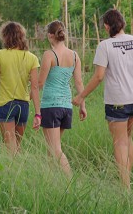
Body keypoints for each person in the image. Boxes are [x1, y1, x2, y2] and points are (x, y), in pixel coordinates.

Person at [72, 8, 133, 190]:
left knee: (120, 141)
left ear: (106, 26)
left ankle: (125, 187)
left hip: (117, 100)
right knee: (128, 137)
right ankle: (127, 178)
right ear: (123, 24)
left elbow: (99, 76)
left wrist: (81, 96)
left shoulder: (105, 46)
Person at [0, 21, 41, 155]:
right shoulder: (32, 58)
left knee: (9, 145)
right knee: (17, 145)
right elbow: (35, 87)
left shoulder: (0, 55)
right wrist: (38, 113)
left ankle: (11, 173)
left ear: (5, 36)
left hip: (5, 104)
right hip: (23, 105)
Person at [37, 20, 87, 176]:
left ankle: (70, 181)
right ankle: (52, 180)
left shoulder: (49, 54)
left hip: (51, 105)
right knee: (51, 147)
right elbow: (78, 82)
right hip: (67, 106)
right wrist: (83, 105)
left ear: (51, 35)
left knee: (55, 149)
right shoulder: (74, 55)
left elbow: (40, 83)